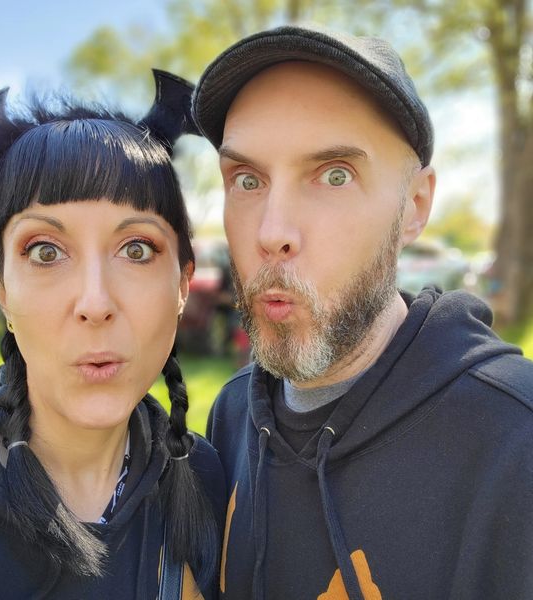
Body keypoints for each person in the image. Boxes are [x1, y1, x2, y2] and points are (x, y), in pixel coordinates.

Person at [191, 25, 533, 600]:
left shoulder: (515, 443)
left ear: (414, 207)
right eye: (247, 179)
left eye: (334, 175)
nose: (272, 232)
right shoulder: (232, 414)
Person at [0, 70, 224, 599]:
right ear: (0, 289)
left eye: (137, 250)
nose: (95, 304)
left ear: (183, 283)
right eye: (46, 251)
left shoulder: (207, 480)